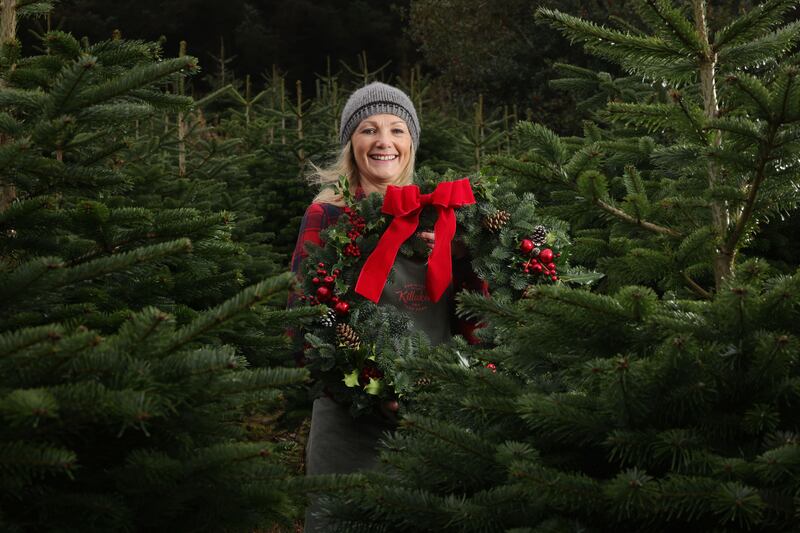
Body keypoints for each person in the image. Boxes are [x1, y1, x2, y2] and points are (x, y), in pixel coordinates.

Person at [289, 82, 484, 532]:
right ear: (351, 144)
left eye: (397, 129)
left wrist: (462, 256)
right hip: (348, 413)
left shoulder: (444, 216)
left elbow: (477, 316)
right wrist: (372, 389)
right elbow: (304, 322)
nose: (383, 141)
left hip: (435, 411)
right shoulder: (327, 216)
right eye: (368, 129)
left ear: (410, 142)